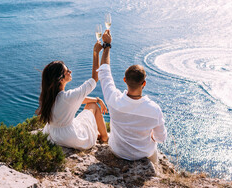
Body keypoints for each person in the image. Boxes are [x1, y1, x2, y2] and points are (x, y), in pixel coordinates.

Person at [97, 30, 167, 163]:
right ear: (144, 83)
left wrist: (107, 46)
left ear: (124, 80)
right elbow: (161, 138)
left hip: (118, 152)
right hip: (143, 155)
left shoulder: (114, 100)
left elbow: (104, 73)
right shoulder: (154, 109)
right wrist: (152, 136)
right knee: (155, 154)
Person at [37, 41, 108, 150]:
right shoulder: (68, 97)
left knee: (92, 104)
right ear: (60, 79)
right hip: (69, 137)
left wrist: (97, 99)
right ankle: (104, 138)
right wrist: (96, 53)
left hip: (52, 134)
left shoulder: (48, 96)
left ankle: (98, 135)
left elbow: (75, 100)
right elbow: (94, 78)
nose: (70, 71)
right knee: (93, 107)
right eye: (66, 71)